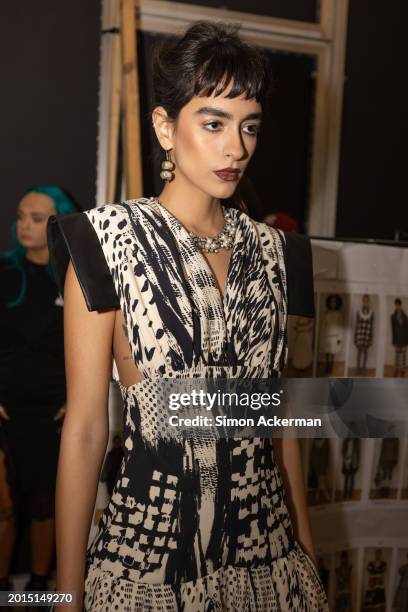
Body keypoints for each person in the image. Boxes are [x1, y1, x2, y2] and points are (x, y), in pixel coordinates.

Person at [47, 22, 328, 611]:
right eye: (214, 123)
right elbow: (85, 431)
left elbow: (283, 421)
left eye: (249, 126)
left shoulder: (281, 255)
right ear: (163, 127)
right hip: (147, 568)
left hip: (269, 565)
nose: (237, 148)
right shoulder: (104, 244)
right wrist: (66, 596)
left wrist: (306, 554)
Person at [0, 186, 78, 593]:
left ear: (58, 222)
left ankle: (39, 586)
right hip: (5, 411)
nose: (23, 225)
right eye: (20, 216)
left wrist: (76, 403)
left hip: (53, 415)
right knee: (5, 507)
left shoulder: (75, 277)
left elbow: (95, 351)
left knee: (45, 504)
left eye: (35, 218)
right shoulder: (4, 272)